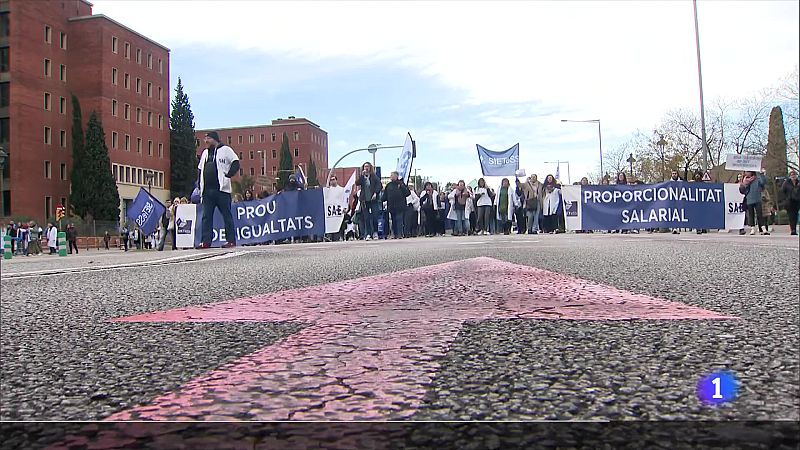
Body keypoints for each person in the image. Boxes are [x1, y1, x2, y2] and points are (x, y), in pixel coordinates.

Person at [197, 131, 240, 249]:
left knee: (227, 215)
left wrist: (228, 175)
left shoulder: (225, 150)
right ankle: (205, 241)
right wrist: (199, 186)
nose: (206, 141)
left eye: (208, 139)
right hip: (207, 191)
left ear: (215, 139)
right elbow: (200, 169)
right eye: (205, 139)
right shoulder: (205, 153)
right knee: (206, 217)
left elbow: (235, 162)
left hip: (222, 190)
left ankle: (230, 240)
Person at [354, 162, 382, 241]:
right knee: (366, 218)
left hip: (373, 200)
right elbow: (357, 183)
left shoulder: (374, 176)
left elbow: (379, 185)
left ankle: (375, 232)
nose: (366, 168)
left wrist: (376, 193)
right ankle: (368, 233)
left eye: (367, 166)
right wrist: (362, 175)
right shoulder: (362, 177)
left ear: (370, 168)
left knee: (375, 216)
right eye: (365, 166)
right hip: (364, 200)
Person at [740, 169, 768, 236]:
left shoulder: (757, 178)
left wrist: (762, 174)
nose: (747, 173)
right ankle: (753, 228)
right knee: (751, 215)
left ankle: (763, 228)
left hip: (757, 198)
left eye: (748, 171)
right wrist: (743, 184)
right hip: (749, 199)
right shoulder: (745, 180)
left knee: (759, 214)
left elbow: (763, 182)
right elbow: (741, 190)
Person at [385, 171, 411, 239]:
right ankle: (395, 234)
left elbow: (407, 193)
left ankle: (400, 234)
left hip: (400, 206)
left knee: (399, 220)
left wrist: (402, 187)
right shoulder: (389, 185)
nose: (391, 177)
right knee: (393, 220)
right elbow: (385, 195)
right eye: (391, 175)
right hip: (391, 206)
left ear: (396, 176)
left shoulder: (401, 183)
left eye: (392, 175)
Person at [781, 170, 800, 235]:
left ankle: (794, 228)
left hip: (797, 201)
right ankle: (793, 229)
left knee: (795, 215)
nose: (793, 176)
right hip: (789, 202)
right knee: (791, 216)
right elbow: (783, 190)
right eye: (792, 175)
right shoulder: (786, 182)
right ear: (790, 176)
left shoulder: (798, 182)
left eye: (794, 175)